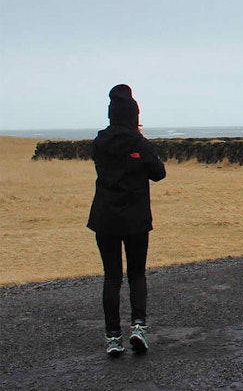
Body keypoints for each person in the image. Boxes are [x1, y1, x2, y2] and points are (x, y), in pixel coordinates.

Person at [87, 84, 166, 356]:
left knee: (111, 277)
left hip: (105, 218)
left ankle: (112, 337)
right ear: (134, 115)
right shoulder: (140, 144)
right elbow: (159, 173)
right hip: (136, 218)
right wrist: (140, 144)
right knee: (136, 274)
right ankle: (138, 327)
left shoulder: (100, 143)